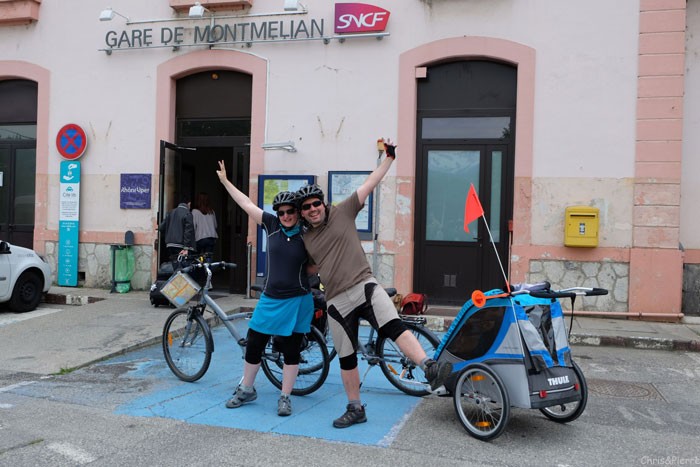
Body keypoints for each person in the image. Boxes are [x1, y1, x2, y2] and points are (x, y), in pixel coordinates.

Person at [296, 138, 453, 429]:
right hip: (336, 302)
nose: (313, 209)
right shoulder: (305, 239)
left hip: (364, 286)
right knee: (346, 357)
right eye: (307, 207)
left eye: (316, 203)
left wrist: (389, 158)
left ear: (323, 204)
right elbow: (305, 264)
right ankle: (355, 408)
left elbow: (370, 183)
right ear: (302, 213)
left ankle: (429, 368)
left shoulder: (343, 211)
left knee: (394, 326)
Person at [216, 160, 314, 417]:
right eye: (281, 212)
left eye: (290, 211)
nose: (286, 216)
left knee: (292, 349)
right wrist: (226, 181)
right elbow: (246, 204)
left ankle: (285, 397)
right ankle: (247, 389)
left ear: (297, 211)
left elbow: (319, 263)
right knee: (254, 343)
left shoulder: (308, 233)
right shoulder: (271, 226)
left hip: (299, 299)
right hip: (271, 298)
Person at [159, 196, 196, 260]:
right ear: (189, 203)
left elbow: (161, 227)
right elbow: (188, 232)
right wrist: (186, 248)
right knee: (182, 267)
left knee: (174, 265)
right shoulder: (188, 214)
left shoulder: (170, 212)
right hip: (181, 246)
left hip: (170, 245)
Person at [191, 192, 218, 256]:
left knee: (197, 258)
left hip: (200, 238)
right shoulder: (211, 212)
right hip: (211, 238)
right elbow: (216, 226)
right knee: (208, 257)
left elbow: (193, 227)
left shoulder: (194, 212)